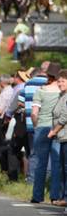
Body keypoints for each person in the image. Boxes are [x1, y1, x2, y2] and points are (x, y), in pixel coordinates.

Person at [31, 63, 62, 203]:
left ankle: (37, 196)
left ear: (48, 75)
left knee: (40, 163)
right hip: (57, 129)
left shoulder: (41, 91)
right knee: (56, 163)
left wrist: (37, 125)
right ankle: (55, 196)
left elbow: (34, 113)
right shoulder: (61, 92)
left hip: (42, 127)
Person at [48, 69, 67, 206]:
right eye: (58, 81)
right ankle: (64, 197)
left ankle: (65, 198)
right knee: (63, 168)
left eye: (63, 81)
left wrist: (54, 131)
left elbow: (64, 117)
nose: (60, 83)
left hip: (64, 135)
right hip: (62, 136)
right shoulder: (62, 95)